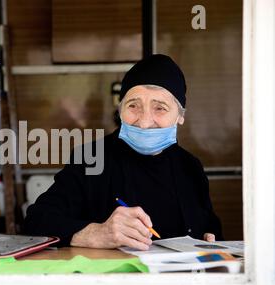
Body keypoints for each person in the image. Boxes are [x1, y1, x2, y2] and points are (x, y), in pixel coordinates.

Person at [24, 54, 223, 250]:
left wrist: (208, 239)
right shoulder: (92, 158)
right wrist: (96, 233)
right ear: (120, 110)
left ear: (180, 116)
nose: (144, 122)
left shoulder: (190, 167)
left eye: (160, 108)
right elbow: (36, 222)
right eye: (133, 106)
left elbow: (211, 231)